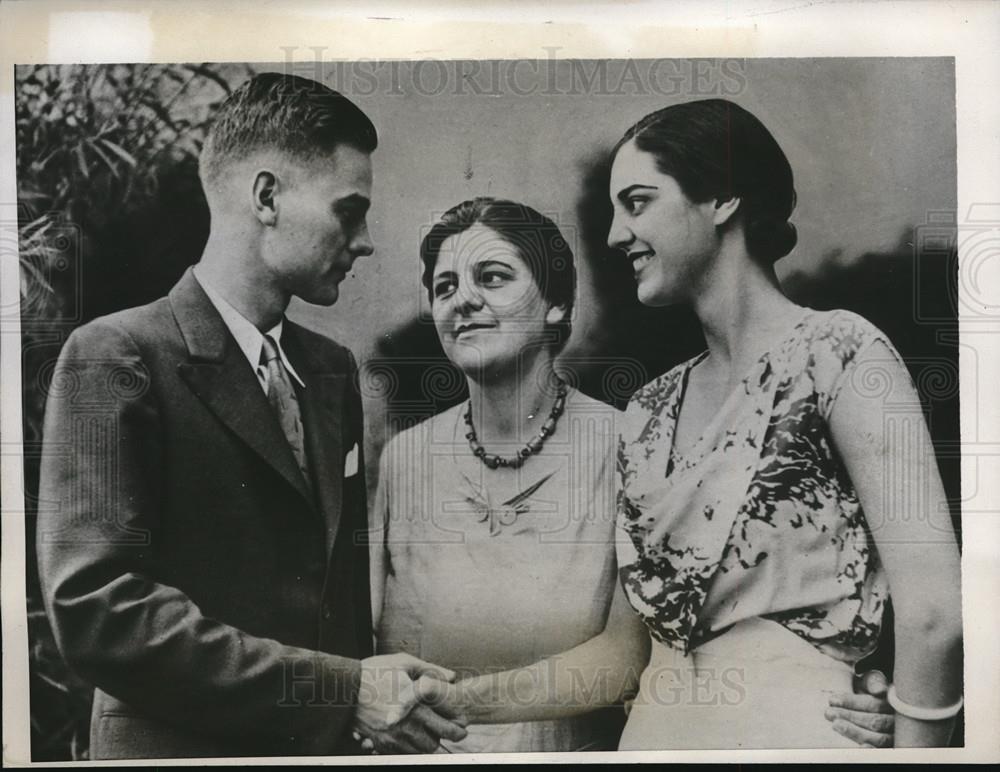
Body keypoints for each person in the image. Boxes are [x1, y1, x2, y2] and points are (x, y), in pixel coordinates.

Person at [415, 100, 962, 750]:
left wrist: (916, 742)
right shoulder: (647, 410)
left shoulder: (840, 353)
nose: (617, 236)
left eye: (638, 203)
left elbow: (936, 617)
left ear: (723, 198)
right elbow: (622, 656)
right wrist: (453, 700)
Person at [36, 72, 466, 759]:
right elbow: (98, 612)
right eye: (348, 211)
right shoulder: (115, 355)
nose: (364, 242)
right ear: (267, 196)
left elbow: (340, 609)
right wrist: (340, 691)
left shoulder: (330, 371)